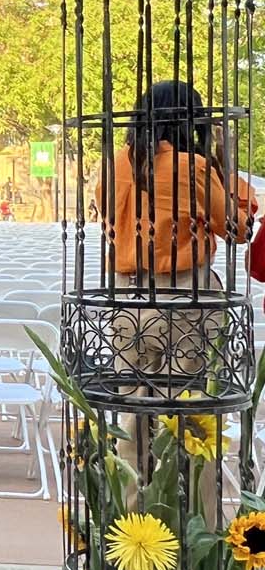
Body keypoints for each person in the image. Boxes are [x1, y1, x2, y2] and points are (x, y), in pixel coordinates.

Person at [101, 80, 255, 503]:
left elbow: (108, 221)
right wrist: (224, 166)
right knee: (193, 423)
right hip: (186, 298)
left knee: (131, 423)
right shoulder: (194, 168)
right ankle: (192, 541)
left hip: (128, 298)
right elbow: (238, 228)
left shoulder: (116, 163)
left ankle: (131, 533)